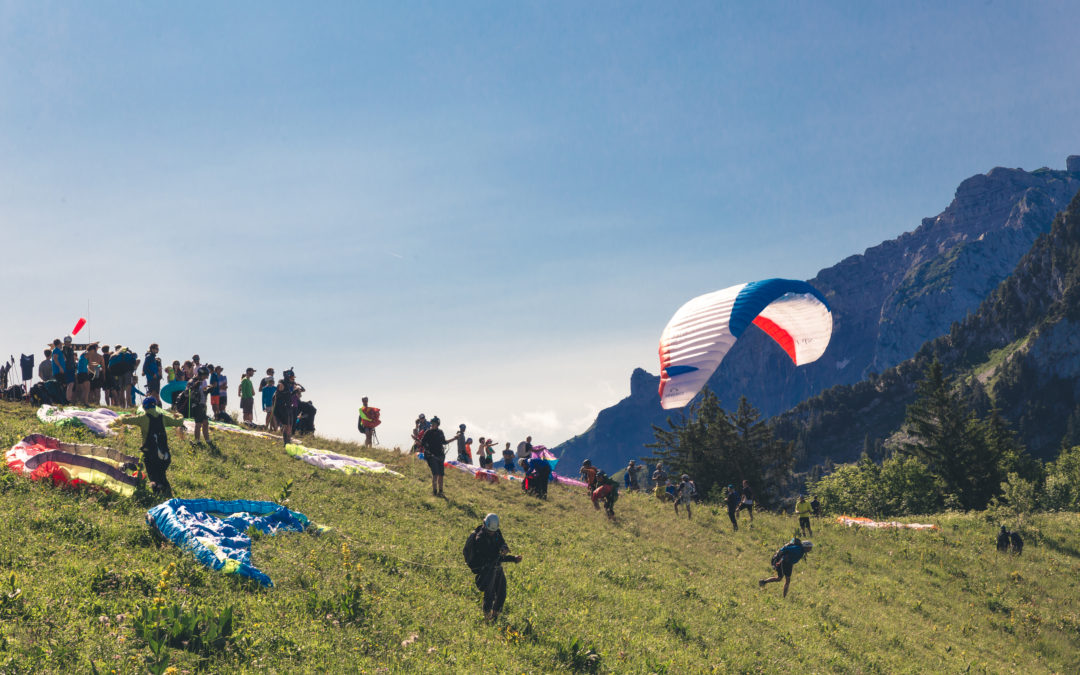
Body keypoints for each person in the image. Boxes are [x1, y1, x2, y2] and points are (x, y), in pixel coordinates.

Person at [115, 396, 185, 496]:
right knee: (161, 474)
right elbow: (178, 422)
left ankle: (156, 493)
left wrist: (123, 416)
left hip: (150, 454)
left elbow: (124, 420)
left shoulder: (143, 418)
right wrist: (179, 415)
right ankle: (165, 491)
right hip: (165, 455)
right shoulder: (163, 417)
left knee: (153, 476)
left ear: (144, 407)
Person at [463, 514, 522, 620]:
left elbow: (501, 542)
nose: (491, 533)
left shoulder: (497, 532)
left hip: (496, 566)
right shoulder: (480, 539)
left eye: (493, 531)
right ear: (484, 524)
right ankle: (486, 617)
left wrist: (504, 547)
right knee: (489, 594)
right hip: (486, 569)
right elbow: (494, 558)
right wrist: (512, 559)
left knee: (502, 591)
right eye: (489, 531)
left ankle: (495, 617)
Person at [420, 416, 453, 496]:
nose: (432, 425)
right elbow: (422, 442)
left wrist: (454, 438)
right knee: (435, 474)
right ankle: (434, 491)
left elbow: (444, 442)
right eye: (432, 423)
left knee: (441, 474)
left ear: (437, 424)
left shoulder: (440, 432)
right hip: (432, 456)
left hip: (440, 456)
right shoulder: (428, 432)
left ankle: (441, 491)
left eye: (434, 424)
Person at [274, 369, 305, 445]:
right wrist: (292, 391)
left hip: (288, 407)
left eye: (293, 378)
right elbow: (280, 393)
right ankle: (286, 442)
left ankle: (288, 441)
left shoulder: (292, 384)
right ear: (287, 377)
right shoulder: (281, 384)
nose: (293, 379)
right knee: (286, 425)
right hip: (281, 407)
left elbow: (303, 390)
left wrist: (297, 386)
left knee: (290, 426)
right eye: (292, 377)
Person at [186, 367, 211, 442]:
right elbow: (187, 393)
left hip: (201, 404)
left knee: (205, 422)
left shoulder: (201, 381)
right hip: (195, 405)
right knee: (199, 423)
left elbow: (201, 393)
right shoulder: (192, 381)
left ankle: (206, 440)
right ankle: (198, 441)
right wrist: (194, 387)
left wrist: (207, 391)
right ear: (201, 374)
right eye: (206, 375)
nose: (206, 377)